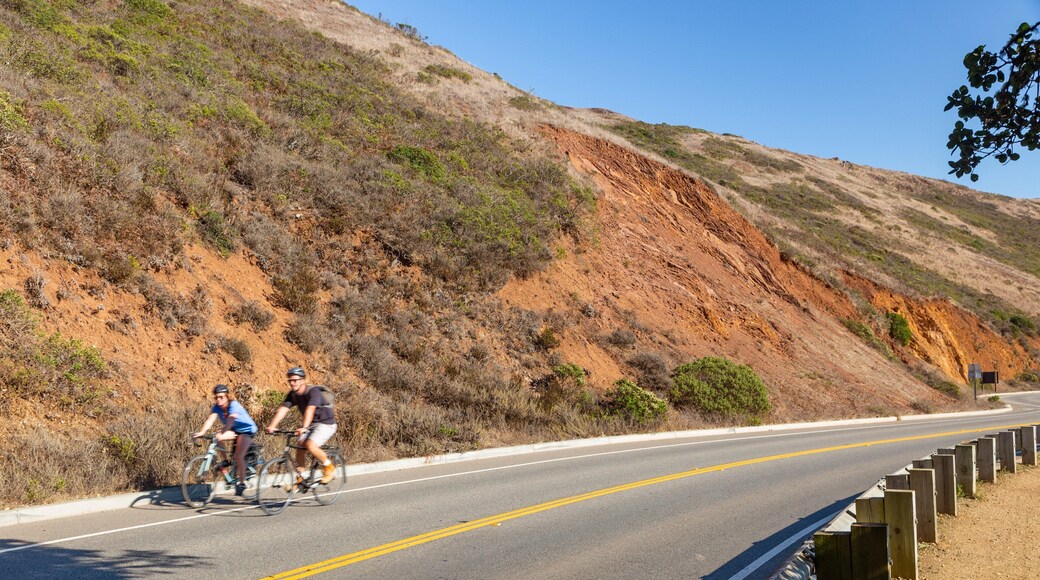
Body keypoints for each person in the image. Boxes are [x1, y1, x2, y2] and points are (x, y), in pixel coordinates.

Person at [266, 367, 337, 484]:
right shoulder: (293, 394)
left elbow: (310, 410)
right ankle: (301, 477)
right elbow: (283, 409)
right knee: (299, 447)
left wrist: (304, 428)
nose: (292, 383)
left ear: (303, 380)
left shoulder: (313, 391)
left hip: (326, 423)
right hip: (311, 424)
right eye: (290, 381)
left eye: (295, 380)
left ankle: (329, 467)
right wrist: (272, 425)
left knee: (310, 445)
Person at [193, 384, 259, 496]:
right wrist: (202, 432)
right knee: (217, 436)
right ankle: (225, 461)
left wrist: (223, 432)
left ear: (227, 397)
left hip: (247, 430)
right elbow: (210, 420)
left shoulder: (234, 405)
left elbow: (230, 421)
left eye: (221, 397)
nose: (218, 400)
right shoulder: (217, 407)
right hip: (234, 430)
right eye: (216, 397)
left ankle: (242, 484)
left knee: (239, 456)